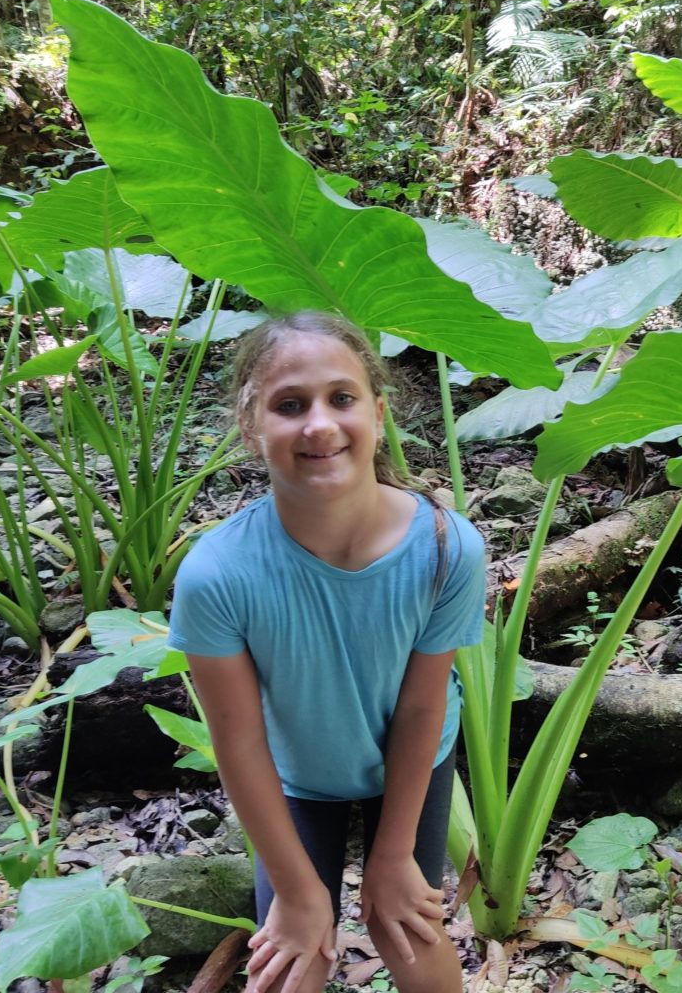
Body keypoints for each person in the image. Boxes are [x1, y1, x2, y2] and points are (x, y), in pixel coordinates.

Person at [167, 312, 486, 993]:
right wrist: (300, 892)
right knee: (292, 957)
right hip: (295, 776)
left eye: (341, 398)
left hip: (411, 759)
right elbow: (238, 740)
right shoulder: (218, 573)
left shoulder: (444, 547)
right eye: (289, 405)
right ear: (250, 427)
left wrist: (393, 857)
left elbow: (424, 702)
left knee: (403, 929)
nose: (318, 424)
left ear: (377, 409)